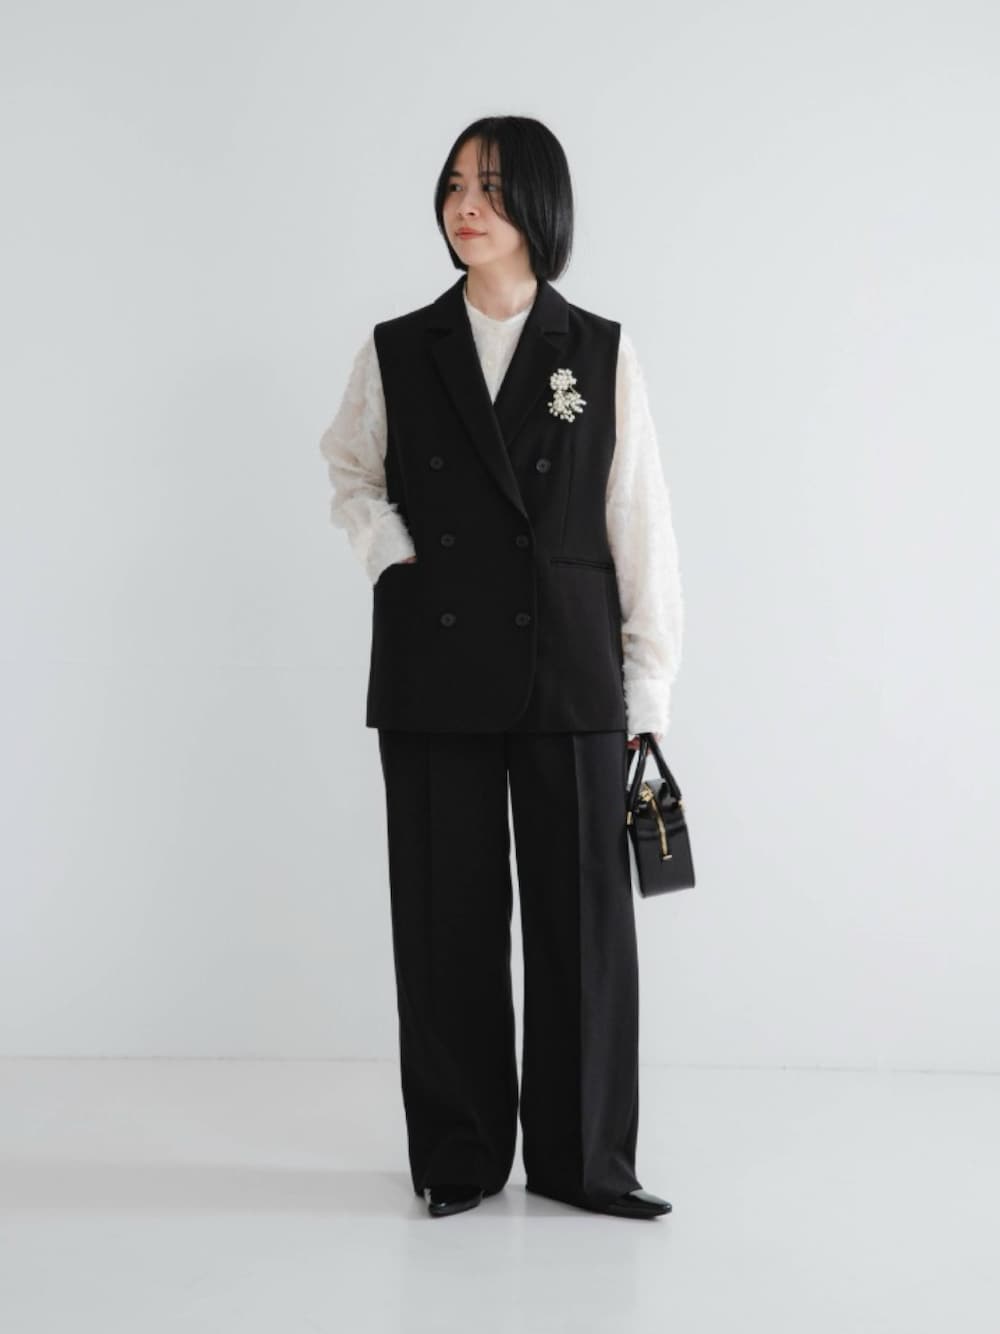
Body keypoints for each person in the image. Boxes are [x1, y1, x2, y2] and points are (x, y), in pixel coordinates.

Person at [318, 116, 684, 1220]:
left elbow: (639, 520)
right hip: (433, 662)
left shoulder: (600, 349)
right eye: (452, 186)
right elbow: (348, 468)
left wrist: (648, 684)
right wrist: (391, 553)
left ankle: (584, 1161)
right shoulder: (400, 345)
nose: (464, 206)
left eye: (489, 187)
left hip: (571, 663)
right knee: (447, 918)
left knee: (584, 926)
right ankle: (460, 1155)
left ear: (539, 205)